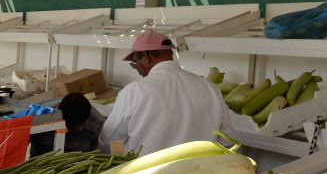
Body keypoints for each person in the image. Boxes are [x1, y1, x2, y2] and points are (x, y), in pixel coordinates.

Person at [99, 31, 233, 154]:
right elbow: (227, 141)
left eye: (135, 62)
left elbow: (110, 140)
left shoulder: (134, 91)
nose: (137, 69)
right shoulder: (210, 88)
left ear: (145, 56)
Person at [30, 92, 99, 156]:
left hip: (78, 163)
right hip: (40, 161)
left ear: (84, 121)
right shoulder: (39, 116)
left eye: (71, 128)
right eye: (65, 124)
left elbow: (94, 150)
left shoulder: (95, 125)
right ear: (58, 107)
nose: (65, 130)